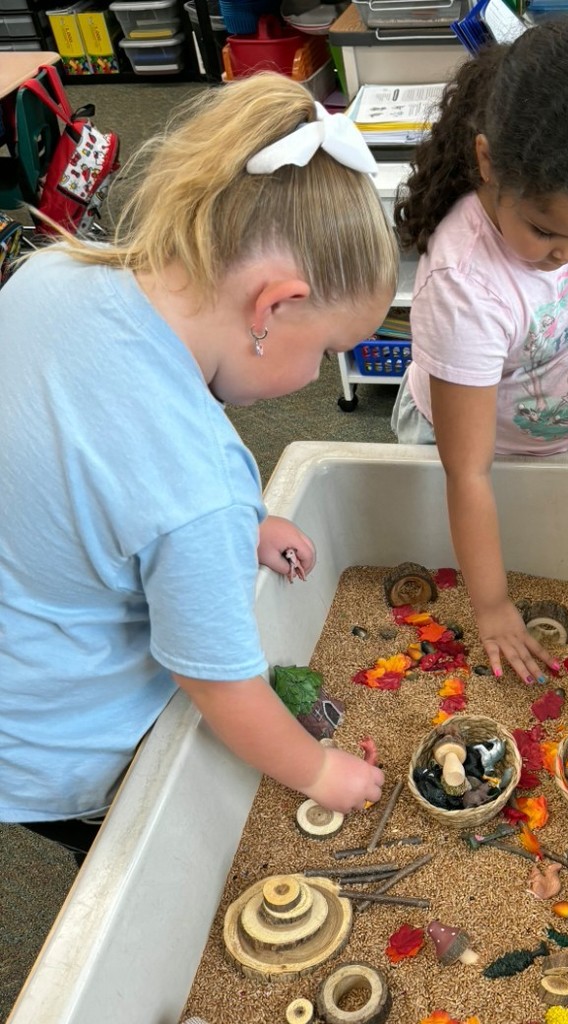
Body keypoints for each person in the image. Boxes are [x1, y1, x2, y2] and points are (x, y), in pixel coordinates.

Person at [0, 74, 395, 864]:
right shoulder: (196, 495)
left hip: (21, 640)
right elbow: (221, 687)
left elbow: (104, 473)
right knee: (132, 854)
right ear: (270, 307)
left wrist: (244, 523)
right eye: (324, 351)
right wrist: (319, 768)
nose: (320, 378)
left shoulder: (55, 273)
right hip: (65, 740)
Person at [391, 19, 568, 685]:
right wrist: (490, 609)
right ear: (489, 164)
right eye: (547, 231)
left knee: (552, 545)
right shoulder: (466, 284)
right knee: (462, 559)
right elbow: (467, 475)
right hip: (466, 455)